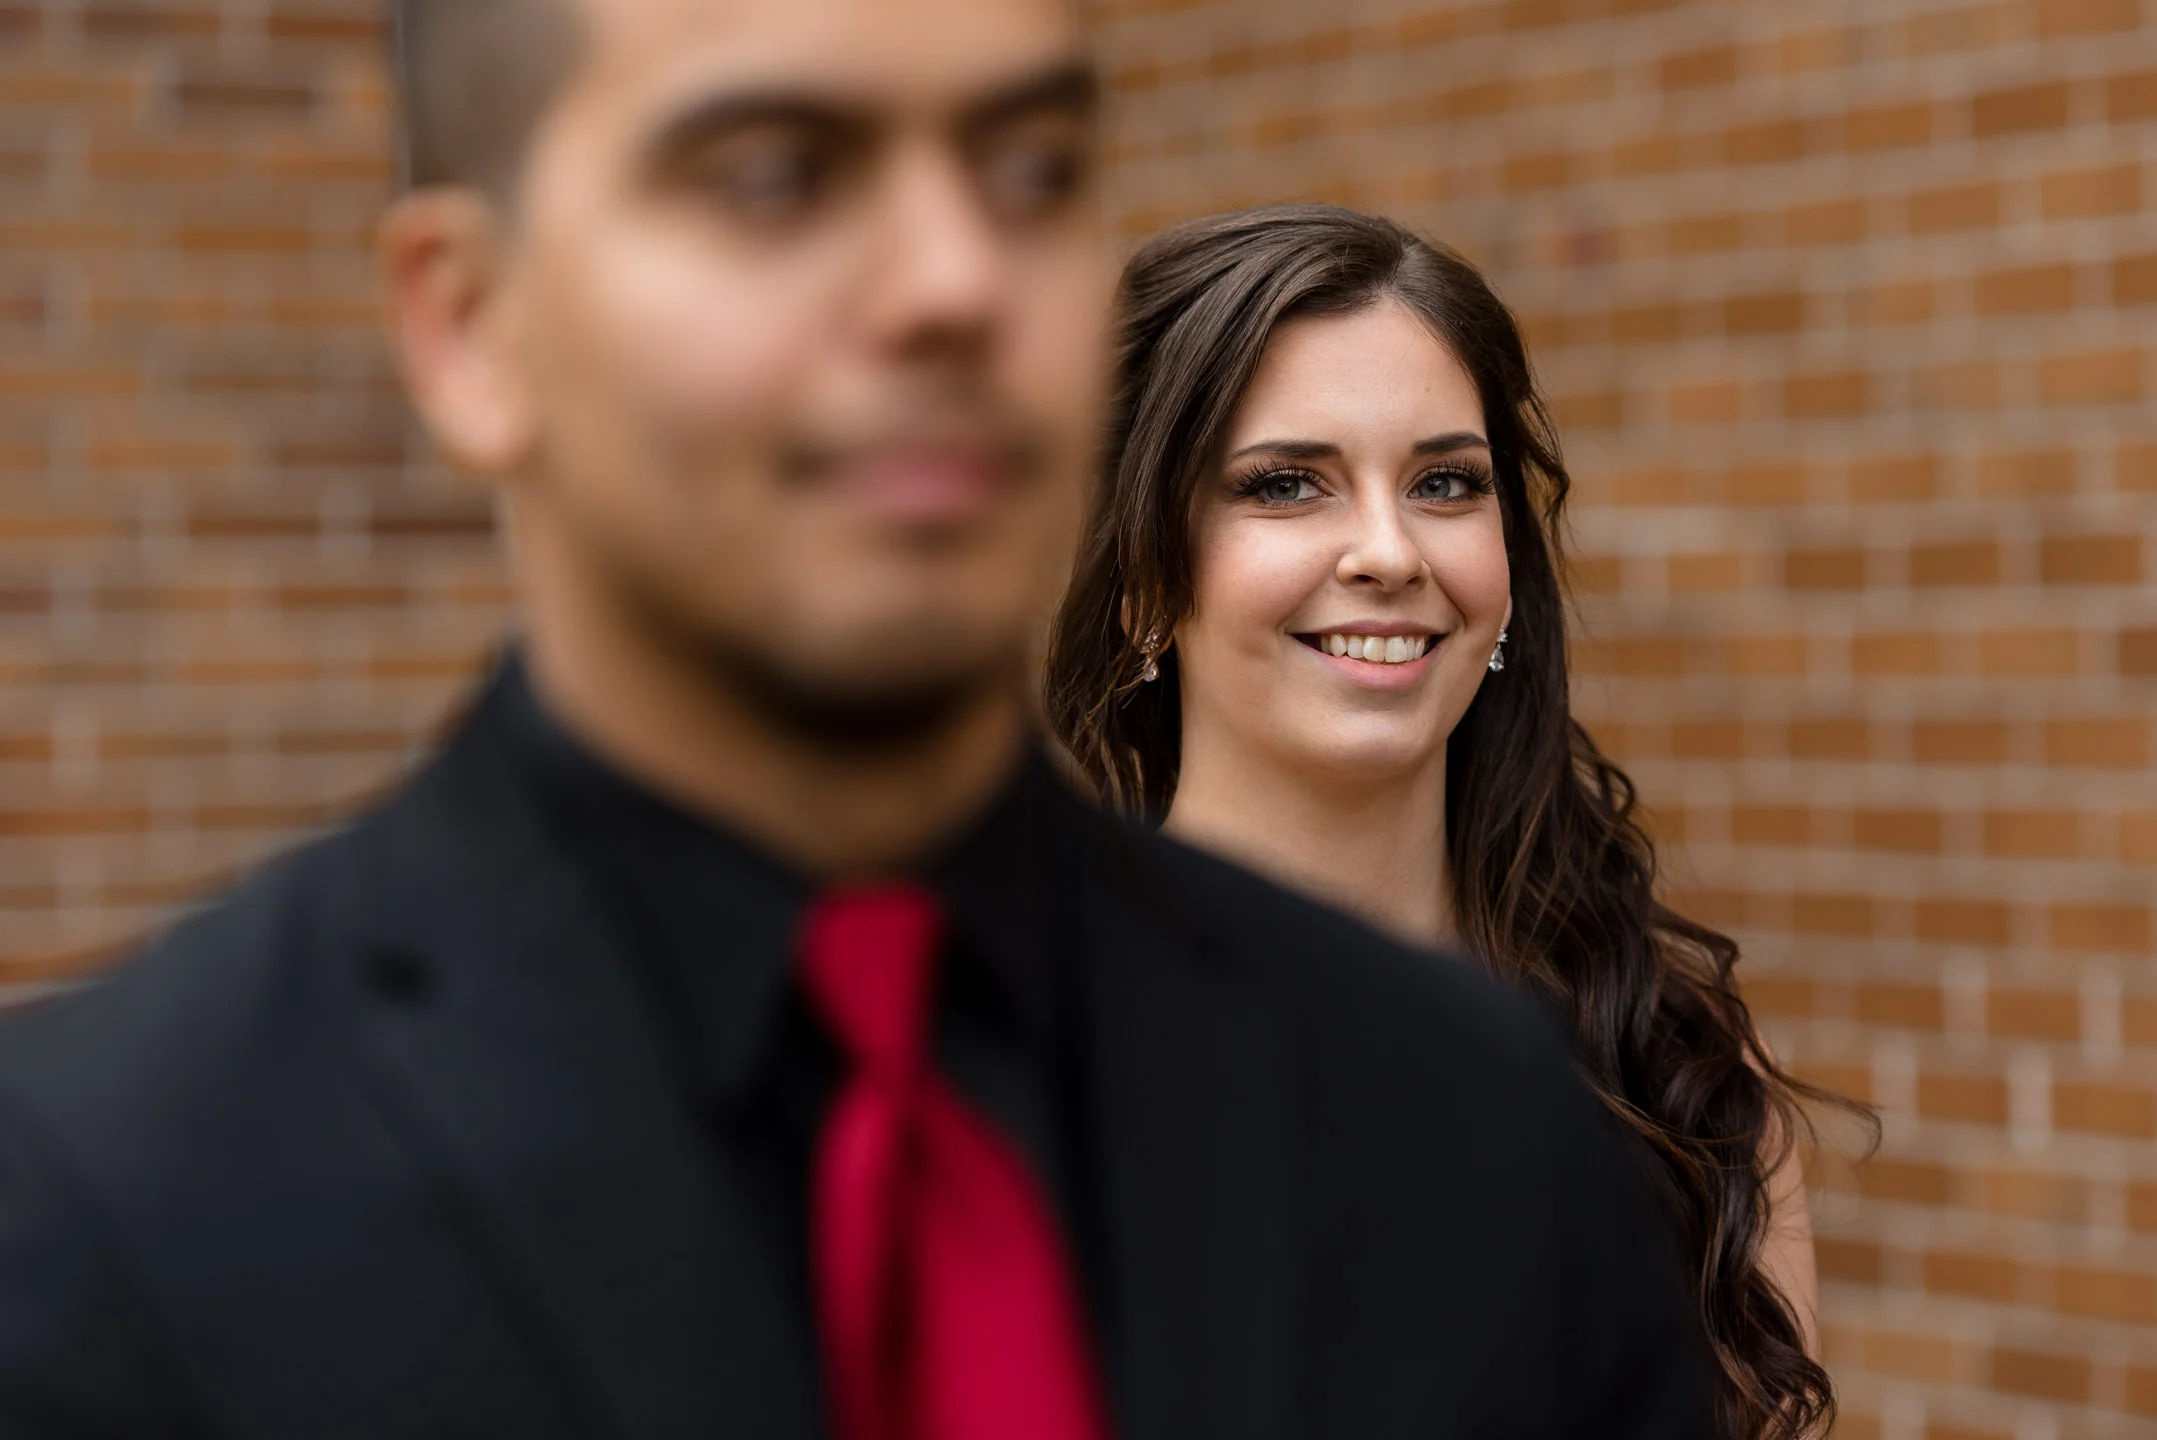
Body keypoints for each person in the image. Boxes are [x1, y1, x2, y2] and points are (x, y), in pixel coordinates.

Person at [0, 5, 1718, 1438]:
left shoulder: (1472, 1123)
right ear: (469, 322)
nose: (952, 283)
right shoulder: (105, 1205)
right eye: (776, 178)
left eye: (1027, 171)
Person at [1044, 203, 1866, 1440]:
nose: (1387, 550)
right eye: (1286, 485)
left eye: (1443, 482)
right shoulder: (1005, 1056)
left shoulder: (1669, 1076)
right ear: (1148, 579)